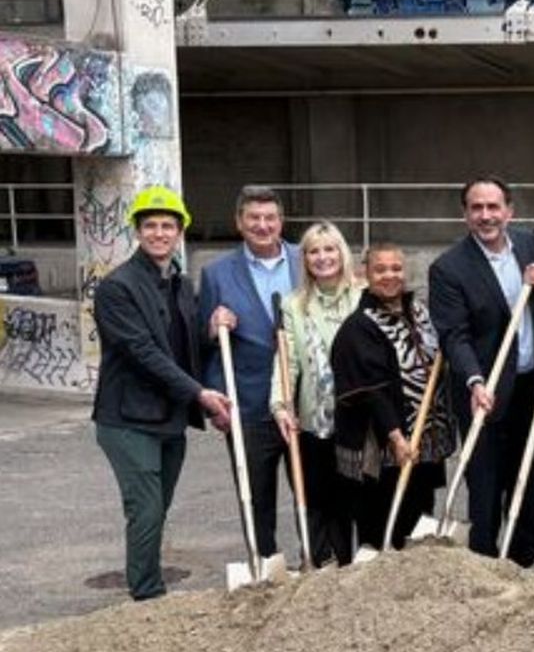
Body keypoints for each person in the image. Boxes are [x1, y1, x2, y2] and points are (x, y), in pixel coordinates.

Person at [92, 187, 232, 600]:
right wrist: (201, 396)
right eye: (150, 225)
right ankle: (148, 595)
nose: (159, 233)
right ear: (137, 231)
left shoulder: (179, 284)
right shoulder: (117, 288)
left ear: (179, 232)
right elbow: (143, 353)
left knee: (157, 508)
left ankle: (148, 585)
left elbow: (182, 350)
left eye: (167, 225)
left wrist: (210, 331)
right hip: (128, 420)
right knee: (146, 509)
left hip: (169, 418)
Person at [427, 176, 534, 565]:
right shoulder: (448, 268)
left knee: (527, 473)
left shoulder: (528, 246)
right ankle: (483, 559)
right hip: (482, 390)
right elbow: (454, 336)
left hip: (530, 383)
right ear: (465, 214)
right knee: (484, 481)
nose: (486, 216)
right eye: (477, 208)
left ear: (509, 211)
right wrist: (474, 379)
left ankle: (522, 558)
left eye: (493, 207)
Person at [198, 185, 303, 565]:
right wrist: (212, 330)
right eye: (254, 218)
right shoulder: (216, 274)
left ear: (281, 221)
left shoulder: (306, 258)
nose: (263, 225)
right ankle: (266, 566)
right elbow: (205, 346)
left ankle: (320, 561)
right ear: (239, 223)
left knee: (316, 492)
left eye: (270, 218)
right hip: (249, 403)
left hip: (302, 402)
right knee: (256, 496)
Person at [329, 244, 458, 550]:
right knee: (382, 517)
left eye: (396, 268)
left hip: (425, 442)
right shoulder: (358, 327)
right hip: (384, 447)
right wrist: (396, 438)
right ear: (365, 274)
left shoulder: (421, 313)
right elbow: (372, 391)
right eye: (381, 269)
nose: (390, 276)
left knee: (419, 513)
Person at [268, 222, 363, 568]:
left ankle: (350, 567)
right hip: (312, 419)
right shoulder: (294, 305)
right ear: (304, 259)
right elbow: (287, 359)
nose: (322, 257)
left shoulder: (363, 297)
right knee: (314, 497)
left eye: (329, 249)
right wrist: (280, 404)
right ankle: (317, 563)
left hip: (357, 420)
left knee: (350, 499)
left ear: (342, 253)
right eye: (313, 251)